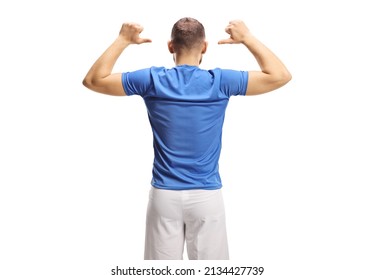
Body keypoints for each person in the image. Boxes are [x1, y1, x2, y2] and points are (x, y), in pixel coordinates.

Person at [83, 17, 291, 260]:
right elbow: (280, 75)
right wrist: (247, 39)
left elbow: (93, 81)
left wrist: (122, 40)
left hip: (164, 196)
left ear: (171, 46)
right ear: (204, 47)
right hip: (207, 197)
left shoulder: (152, 80)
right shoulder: (220, 82)